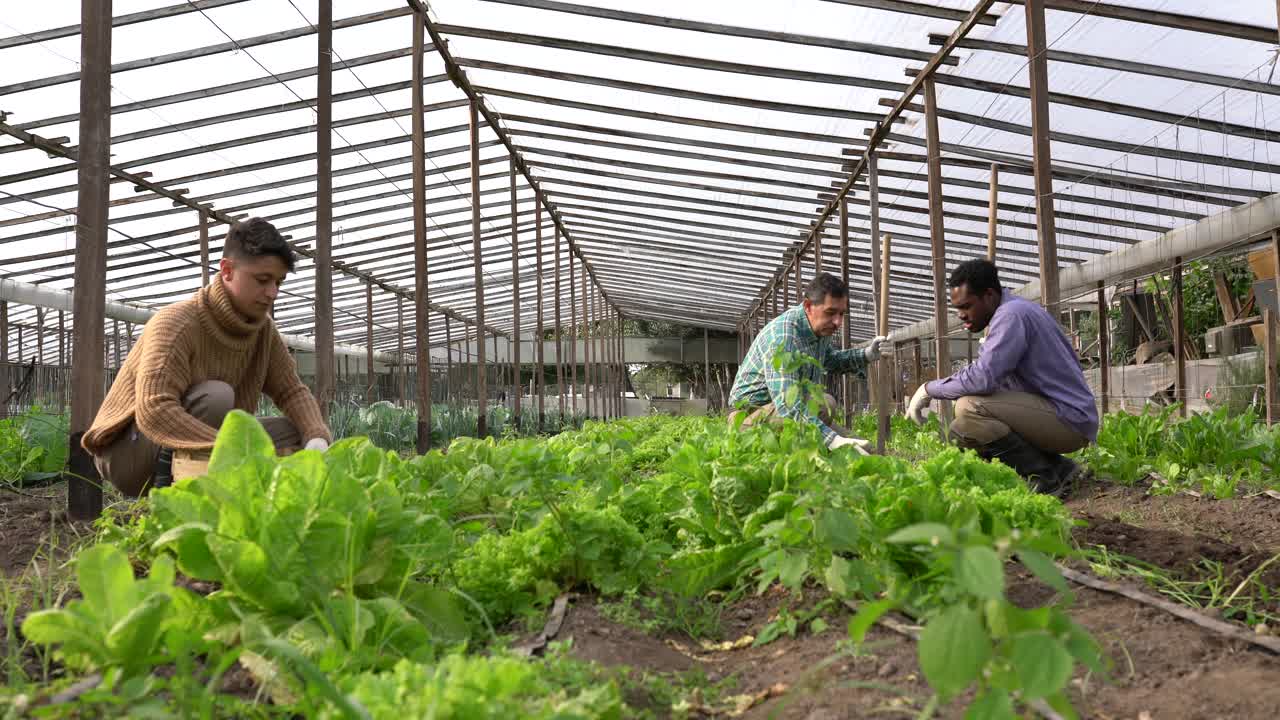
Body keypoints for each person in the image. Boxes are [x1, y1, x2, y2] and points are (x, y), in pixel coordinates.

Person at [83, 217, 333, 496]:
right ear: (226, 270)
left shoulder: (264, 332)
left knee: (294, 430)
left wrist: (316, 436)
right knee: (216, 396)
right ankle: (172, 496)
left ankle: (244, 496)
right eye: (263, 280)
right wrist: (233, 450)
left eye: (278, 282)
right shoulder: (177, 323)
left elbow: (292, 391)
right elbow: (154, 410)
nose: (272, 293)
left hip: (205, 444)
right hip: (128, 455)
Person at [907, 259, 1097, 496]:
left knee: (969, 407)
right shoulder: (1014, 310)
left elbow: (983, 379)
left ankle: (1044, 478)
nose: (962, 316)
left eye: (966, 306)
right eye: (957, 309)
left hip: (1069, 420)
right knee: (964, 425)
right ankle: (1060, 468)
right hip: (1061, 415)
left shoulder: (1011, 316)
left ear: (988, 295)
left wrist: (928, 389)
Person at [729, 273, 887, 452]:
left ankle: (810, 447)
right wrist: (833, 440)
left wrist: (867, 354)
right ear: (808, 306)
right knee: (824, 404)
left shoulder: (819, 330)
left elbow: (830, 360)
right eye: (830, 313)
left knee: (868, 451)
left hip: (788, 412)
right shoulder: (784, 336)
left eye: (842, 314)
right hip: (748, 419)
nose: (838, 322)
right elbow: (787, 405)